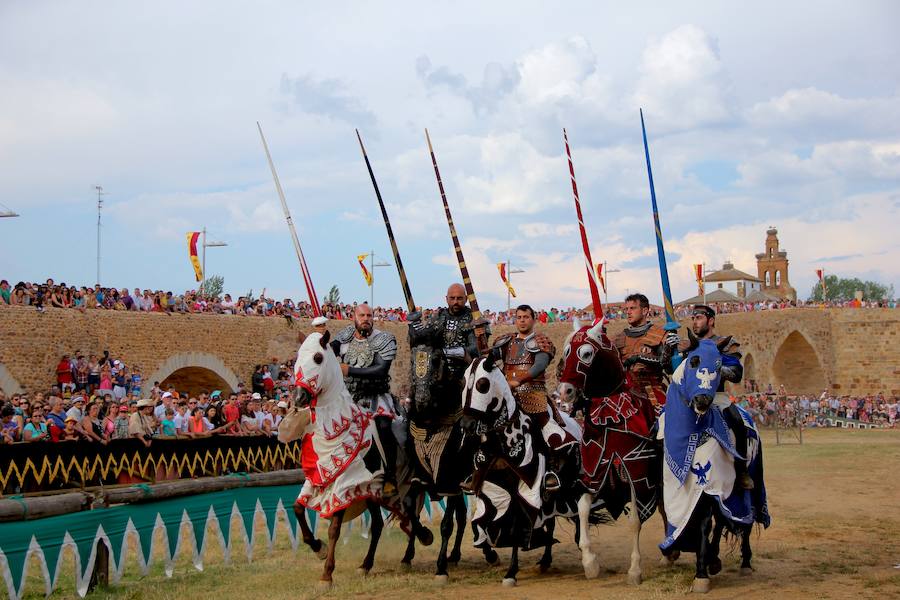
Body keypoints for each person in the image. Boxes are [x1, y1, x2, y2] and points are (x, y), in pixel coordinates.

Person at [491, 304, 569, 493]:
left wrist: (518, 381)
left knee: (543, 426)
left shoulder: (540, 340)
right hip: (507, 395)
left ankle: (551, 469)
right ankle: (481, 467)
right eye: (519, 317)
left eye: (526, 317)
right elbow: (489, 358)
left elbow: (540, 365)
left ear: (533, 319)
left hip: (533, 393)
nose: (522, 320)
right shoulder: (506, 341)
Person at [681, 304, 753, 490]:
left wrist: (715, 367)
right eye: (693, 319)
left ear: (711, 320)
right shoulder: (688, 346)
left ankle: (741, 470)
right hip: (689, 398)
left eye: (699, 318)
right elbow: (673, 371)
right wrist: (669, 352)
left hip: (717, 396)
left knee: (738, 422)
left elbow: (736, 373)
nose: (695, 322)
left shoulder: (724, 343)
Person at [331, 303, 399, 493]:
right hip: (348, 399)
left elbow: (381, 369)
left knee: (384, 426)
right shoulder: (344, 337)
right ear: (354, 316)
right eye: (362, 315)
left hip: (376, 397)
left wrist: (349, 369)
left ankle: (390, 475)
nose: (366, 319)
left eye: (369, 315)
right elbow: (327, 354)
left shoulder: (384, 339)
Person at [613, 293, 678, 406]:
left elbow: (666, 366)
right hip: (625, 391)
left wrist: (668, 348)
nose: (628, 312)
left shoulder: (659, 334)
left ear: (644, 311)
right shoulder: (619, 338)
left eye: (632, 308)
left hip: (652, 391)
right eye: (626, 309)